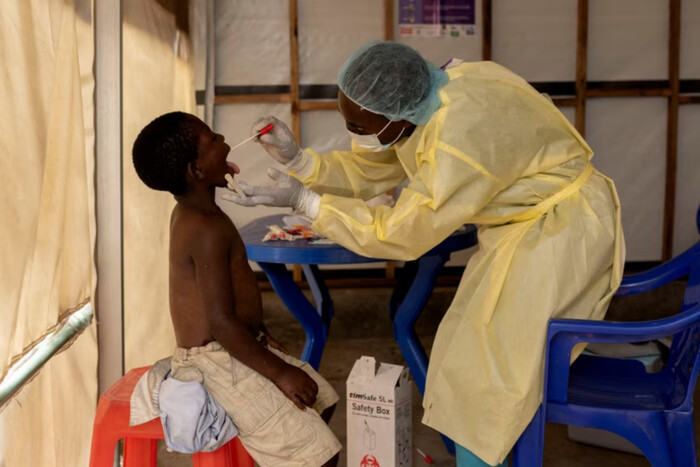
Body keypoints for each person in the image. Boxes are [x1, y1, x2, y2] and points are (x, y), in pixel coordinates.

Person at [225, 41, 625, 467]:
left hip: (559, 232)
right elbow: (377, 166)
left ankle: (486, 455)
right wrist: (303, 163)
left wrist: (308, 204)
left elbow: (403, 232)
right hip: (527, 228)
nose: (355, 134)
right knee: (465, 357)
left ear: (397, 115)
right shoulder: (436, 93)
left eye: (360, 126)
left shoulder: (460, 137)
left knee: (491, 376)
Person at [131, 111, 341, 467]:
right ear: (197, 171)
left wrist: (259, 332)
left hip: (231, 343)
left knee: (322, 399)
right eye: (213, 139)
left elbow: (221, 308)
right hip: (215, 361)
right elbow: (219, 321)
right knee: (319, 457)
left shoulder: (196, 214)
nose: (225, 139)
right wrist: (279, 372)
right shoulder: (205, 228)